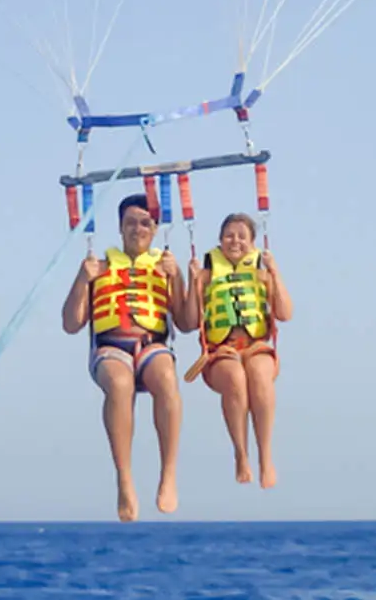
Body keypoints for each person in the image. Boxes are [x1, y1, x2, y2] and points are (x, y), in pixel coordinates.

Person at [61, 193, 196, 522]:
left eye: (145, 223)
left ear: (154, 229)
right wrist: (82, 279)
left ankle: (168, 475)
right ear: (120, 228)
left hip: (152, 346)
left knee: (166, 377)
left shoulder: (165, 268)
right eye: (131, 223)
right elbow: (71, 323)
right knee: (120, 385)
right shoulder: (100, 268)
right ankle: (124, 480)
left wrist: (181, 277)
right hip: (110, 348)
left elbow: (188, 323)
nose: (138, 229)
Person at [183, 212, 292, 489]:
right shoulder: (207, 274)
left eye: (242, 236)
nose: (235, 241)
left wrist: (275, 273)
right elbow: (189, 322)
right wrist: (192, 281)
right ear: (220, 240)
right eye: (229, 235)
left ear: (252, 243)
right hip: (221, 351)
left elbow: (285, 314)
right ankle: (241, 454)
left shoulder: (261, 273)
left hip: (256, 346)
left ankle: (265, 457)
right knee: (235, 379)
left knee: (258, 374)